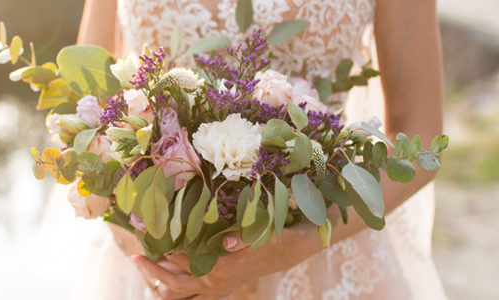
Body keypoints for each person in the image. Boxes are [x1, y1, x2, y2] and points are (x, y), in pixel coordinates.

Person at [73, 0, 446, 299]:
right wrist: (142, 240)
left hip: (321, 245)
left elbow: (421, 137)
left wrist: (293, 246)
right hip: (158, 262)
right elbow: (83, 104)